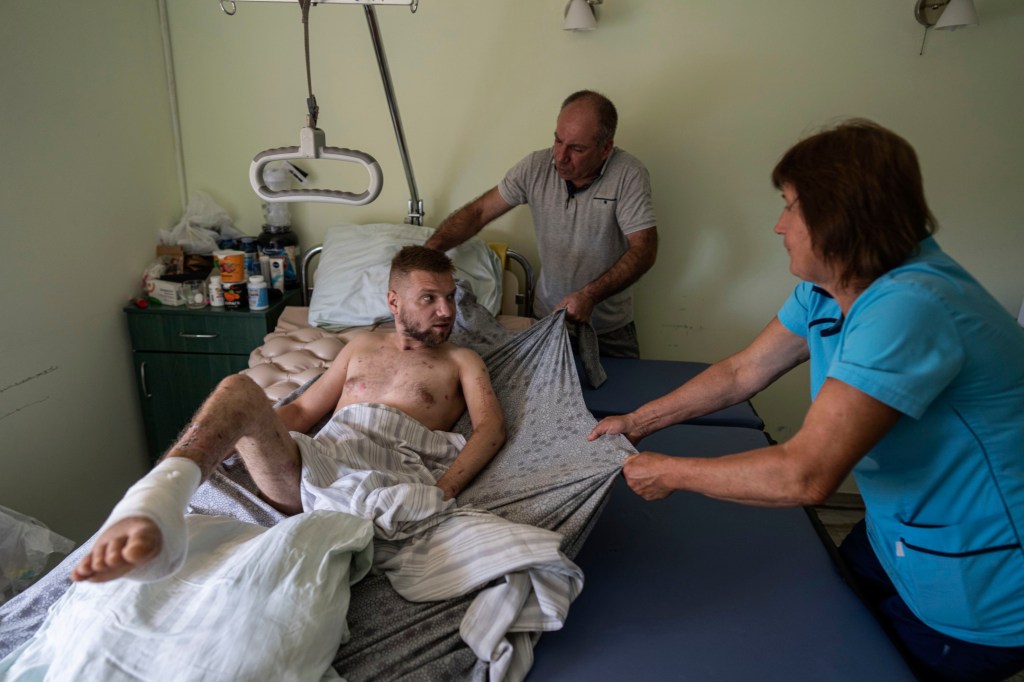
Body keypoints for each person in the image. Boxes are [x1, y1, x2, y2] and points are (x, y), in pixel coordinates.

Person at [587, 120, 1024, 682]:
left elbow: (806, 476)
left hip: (976, 582)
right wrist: (636, 422)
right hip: (898, 536)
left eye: (790, 207)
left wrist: (669, 473)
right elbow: (743, 371)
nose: (778, 225)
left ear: (838, 217)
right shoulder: (831, 286)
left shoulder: (910, 305)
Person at [73, 245, 506, 584]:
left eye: (449, 298)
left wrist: (446, 488)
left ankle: (162, 510)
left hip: (382, 478)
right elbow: (301, 409)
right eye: (429, 299)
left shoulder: (462, 360)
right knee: (237, 391)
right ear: (394, 302)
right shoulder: (359, 347)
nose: (446, 311)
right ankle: (155, 501)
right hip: (313, 469)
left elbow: (489, 428)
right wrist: (243, 441)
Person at [425, 89, 658, 358]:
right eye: (558, 141)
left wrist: (589, 296)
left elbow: (644, 250)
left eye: (577, 149)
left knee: (627, 398)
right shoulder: (535, 167)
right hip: (546, 322)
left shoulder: (628, 175)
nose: (560, 156)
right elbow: (478, 213)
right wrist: (430, 250)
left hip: (609, 330)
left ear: (606, 148)